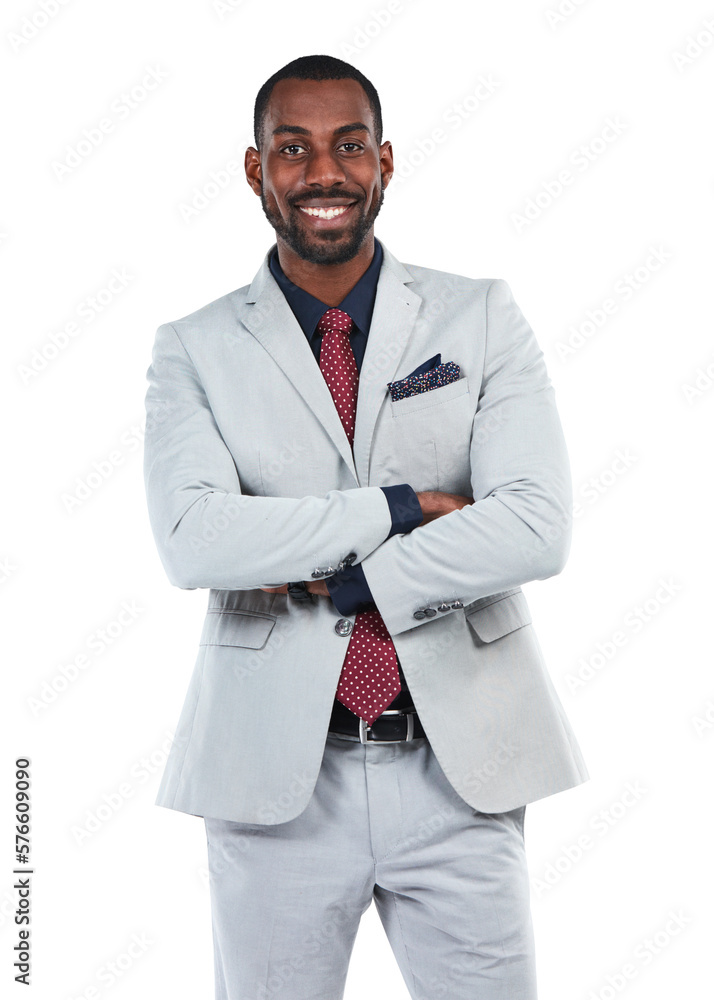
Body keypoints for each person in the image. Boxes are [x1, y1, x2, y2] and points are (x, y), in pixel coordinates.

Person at [143, 53, 589, 1000]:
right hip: (274, 785)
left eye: (348, 145)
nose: (323, 174)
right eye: (292, 149)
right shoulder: (195, 348)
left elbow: (536, 527)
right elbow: (193, 540)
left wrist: (342, 574)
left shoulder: (479, 316)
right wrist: (395, 508)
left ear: (385, 161)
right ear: (256, 171)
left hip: (459, 767)